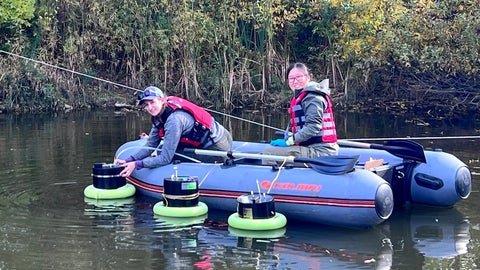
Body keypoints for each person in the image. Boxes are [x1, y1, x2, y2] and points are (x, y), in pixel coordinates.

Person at [115, 86, 233, 177]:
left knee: (171, 155)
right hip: (221, 134)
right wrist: (129, 160)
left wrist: (137, 164)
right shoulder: (160, 115)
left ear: (161, 100)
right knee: (164, 150)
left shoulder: (174, 121)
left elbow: (165, 158)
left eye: (152, 102)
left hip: (218, 146)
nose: (150, 108)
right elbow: (151, 145)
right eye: (146, 105)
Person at [263, 62, 339, 159]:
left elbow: (313, 127)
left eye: (298, 77)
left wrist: (289, 142)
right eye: (291, 78)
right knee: (273, 148)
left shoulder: (313, 98)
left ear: (308, 77)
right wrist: (289, 137)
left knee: (268, 152)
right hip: (309, 147)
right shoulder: (303, 97)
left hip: (321, 151)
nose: (295, 81)